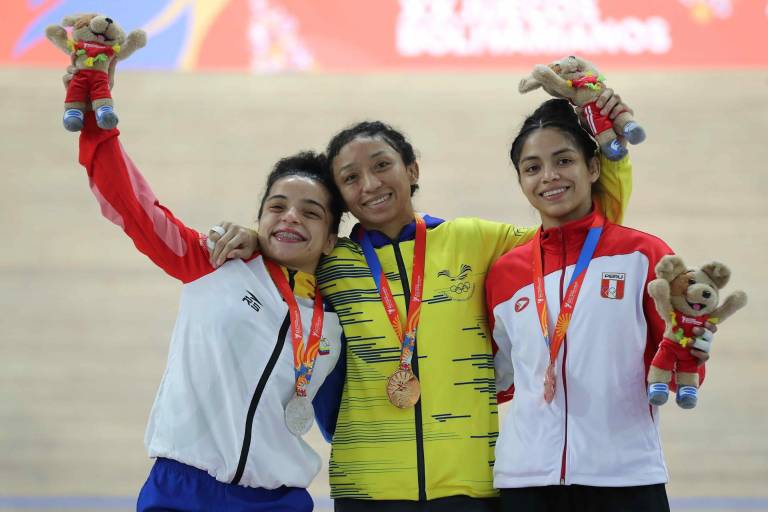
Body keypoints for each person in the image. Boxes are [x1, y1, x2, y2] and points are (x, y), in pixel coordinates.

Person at [210, 89, 635, 511]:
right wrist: (255, 239)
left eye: (382, 166)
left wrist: (608, 147)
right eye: (351, 178)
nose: (371, 184)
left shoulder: (475, 240)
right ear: (341, 196)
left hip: (470, 486)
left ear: (412, 169)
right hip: (365, 490)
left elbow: (585, 238)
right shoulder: (329, 261)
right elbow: (279, 255)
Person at [73, 106, 346, 511]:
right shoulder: (213, 262)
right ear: (259, 219)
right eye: (277, 206)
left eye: (311, 212)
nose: (291, 216)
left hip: (280, 501)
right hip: (181, 490)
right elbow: (133, 205)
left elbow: (341, 422)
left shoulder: (336, 325)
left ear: (329, 240)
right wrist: (97, 125)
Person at [485, 98, 709, 512]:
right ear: (521, 182)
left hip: (624, 478)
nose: (549, 176)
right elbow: (502, 378)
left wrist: (692, 348)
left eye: (563, 160)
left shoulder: (644, 255)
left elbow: (677, 364)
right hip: (526, 481)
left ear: (592, 168)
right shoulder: (506, 272)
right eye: (532, 168)